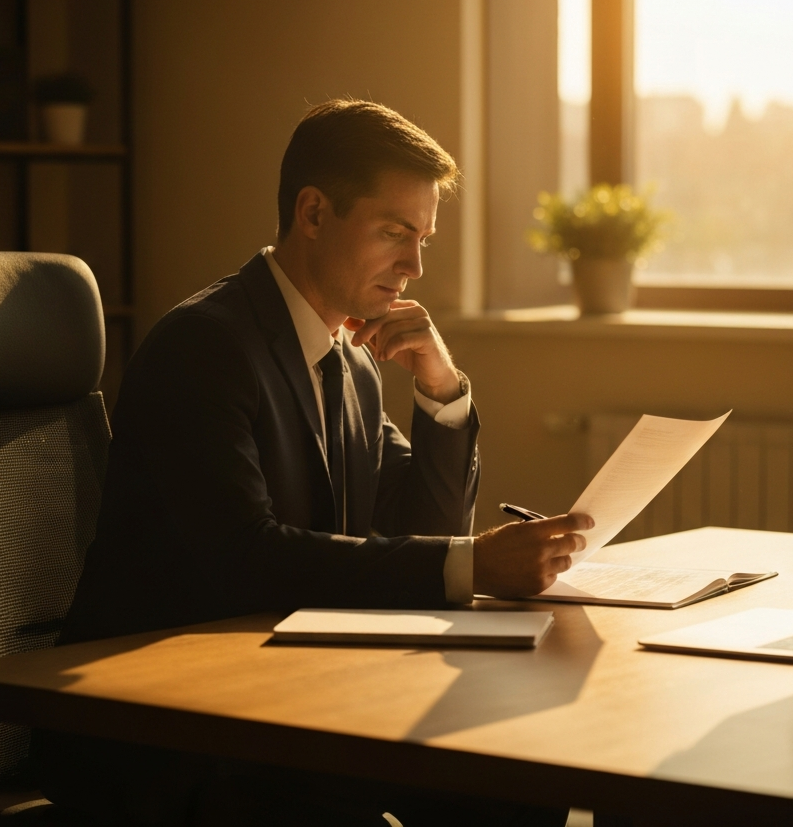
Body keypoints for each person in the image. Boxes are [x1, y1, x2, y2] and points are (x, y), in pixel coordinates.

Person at [37, 99, 592, 827]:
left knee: (518, 779)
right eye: (395, 233)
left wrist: (441, 389)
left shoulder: (350, 363)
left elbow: (422, 528)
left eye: (422, 238)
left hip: (296, 698)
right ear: (313, 212)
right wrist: (474, 565)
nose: (415, 265)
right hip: (171, 732)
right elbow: (247, 558)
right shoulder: (204, 348)